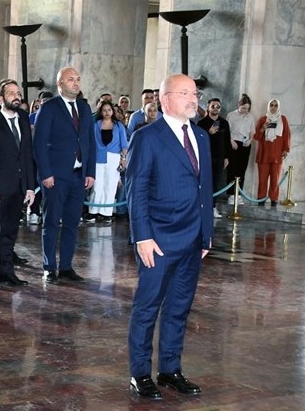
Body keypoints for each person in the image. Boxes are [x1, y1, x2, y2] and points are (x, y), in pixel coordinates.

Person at [126, 74, 213, 400]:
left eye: (195, 93)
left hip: (193, 241)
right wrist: (142, 237)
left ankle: (170, 369)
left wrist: (206, 235)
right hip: (158, 241)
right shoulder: (147, 137)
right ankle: (139, 374)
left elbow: (204, 190)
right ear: (165, 99)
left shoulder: (202, 137)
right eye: (185, 93)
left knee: (179, 308)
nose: (193, 99)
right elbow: (137, 192)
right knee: (147, 308)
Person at [32, 67, 96, 284]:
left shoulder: (85, 108)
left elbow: (89, 142)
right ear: (60, 84)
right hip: (56, 176)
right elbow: (39, 144)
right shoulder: (49, 108)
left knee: (72, 223)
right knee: (51, 222)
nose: (76, 83)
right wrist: (46, 174)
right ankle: (49, 267)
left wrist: (91, 172)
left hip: (79, 176)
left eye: (78, 79)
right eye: (71, 79)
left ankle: (66, 266)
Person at [0, 79, 35, 288]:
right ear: (1, 98)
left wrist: (30, 186)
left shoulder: (22, 118)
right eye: (11, 93)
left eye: (18, 92)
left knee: (10, 232)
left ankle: (7, 272)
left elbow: (27, 154)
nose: (16, 96)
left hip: (19, 187)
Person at [86, 101, 128, 223]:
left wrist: (123, 158)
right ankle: (93, 211)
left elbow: (124, 144)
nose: (107, 112)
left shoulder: (119, 126)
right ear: (101, 112)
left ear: (112, 111)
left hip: (114, 158)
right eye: (104, 110)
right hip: (98, 157)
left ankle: (106, 213)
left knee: (110, 185)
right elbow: (91, 142)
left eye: (109, 110)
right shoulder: (96, 125)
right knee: (97, 185)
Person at [197, 98, 231, 217]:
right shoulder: (202, 123)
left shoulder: (224, 123)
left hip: (219, 157)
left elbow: (227, 141)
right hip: (206, 156)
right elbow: (198, 140)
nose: (215, 108)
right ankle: (203, 206)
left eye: (218, 106)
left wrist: (226, 157)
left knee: (216, 183)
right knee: (205, 182)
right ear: (208, 107)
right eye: (213, 106)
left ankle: (213, 206)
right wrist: (208, 132)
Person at [253, 99, 291, 207]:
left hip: (277, 154)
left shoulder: (283, 119)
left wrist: (286, 149)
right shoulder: (263, 119)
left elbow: (286, 135)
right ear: (268, 106)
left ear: (278, 107)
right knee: (262, 179)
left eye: (275, 105)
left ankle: (274, 199)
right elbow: (256, 137)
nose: (273, 107)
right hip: (264, 154)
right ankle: (261, 199)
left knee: (275, 179)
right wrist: (263, 128)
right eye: (271, 105)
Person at [226, 94, 255, 201]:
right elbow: (227, 130)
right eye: (243, 108)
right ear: (239, 106)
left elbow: (252, 131)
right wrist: (231, 141)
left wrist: (250, 140)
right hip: (234, 143)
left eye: (247, 108)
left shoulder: (250, 117)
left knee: (242, 170)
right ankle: (231, 194)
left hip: (245, 144)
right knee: (232, 169)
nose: (245, 110)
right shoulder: (231, 115)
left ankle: (238, 194)